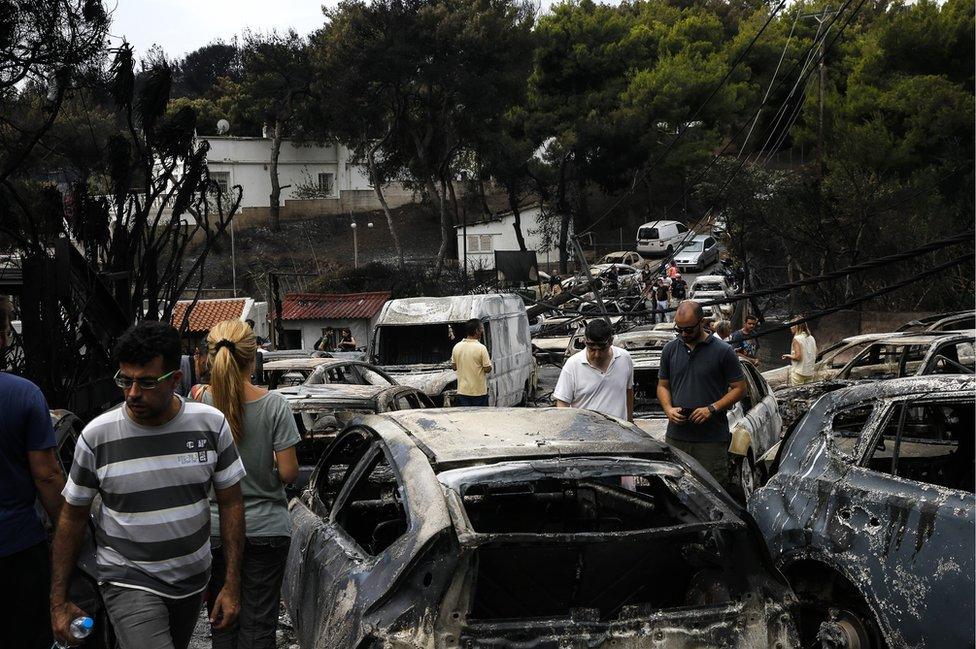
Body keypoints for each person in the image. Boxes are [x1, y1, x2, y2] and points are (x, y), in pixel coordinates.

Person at [52, 321, 246, 649]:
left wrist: (231, 584)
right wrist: (58, 602)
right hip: (128, 580)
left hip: (192, 582)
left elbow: (231, 503)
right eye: (124, 380)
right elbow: (72, 516)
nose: (131, 393)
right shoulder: (98, 436)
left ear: (175, 380)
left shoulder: (211, 426)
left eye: (145, 382)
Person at [196, 319, 300, 649]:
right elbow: (288, 473)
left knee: (221, 621)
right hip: (266, 528)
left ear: (210, 358)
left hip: (213, 530)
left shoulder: (198, 406)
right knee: (258, 625)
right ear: (253, 357)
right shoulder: (274, 405)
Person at [0, 297, 64, 649]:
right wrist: (72, 535)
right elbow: (48, 476)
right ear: (3, 337)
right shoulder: (24, 395)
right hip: (16, 550)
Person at [657, 302, 746, 490]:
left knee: (712, 491)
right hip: (677, 437)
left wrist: (712, 408)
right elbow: (663, 386)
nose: (684, 334)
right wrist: (668, 409)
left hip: (710, 441)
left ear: (702, 322)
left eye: (688, 329)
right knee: (676, 491)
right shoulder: (670, 350)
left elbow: (740, 389)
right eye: (679, 329)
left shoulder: (723, 351)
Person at [554, 319, 634, 422]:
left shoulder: (624, 358)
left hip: (618, 434)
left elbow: (629, 390)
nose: (596, 355)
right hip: (585, 434)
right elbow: (562, 404)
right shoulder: (573, 365)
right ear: (584, 341)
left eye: (601, 349)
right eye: (591, 349)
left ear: (611, 341)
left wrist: (630, 421)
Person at [451, 319, 493, 406]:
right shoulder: (481, 348)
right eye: (481, 328)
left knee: (465, 418)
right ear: (477, 331)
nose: (482, 331)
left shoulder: (457, 347)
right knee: (479, 418)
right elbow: (487, 369)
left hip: (462, 392)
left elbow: (454, 367)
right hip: (479, 393)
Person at [783, 320, 818, 385]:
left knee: (798, 394)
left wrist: (788, 355)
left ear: (796, 326)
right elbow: (816, 353)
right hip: (809, 373)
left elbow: (798, 357)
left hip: (799, 373)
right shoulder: (811, 338)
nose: (790, 327)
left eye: (792, 325)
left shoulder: (797, 339)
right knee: (808, 393)